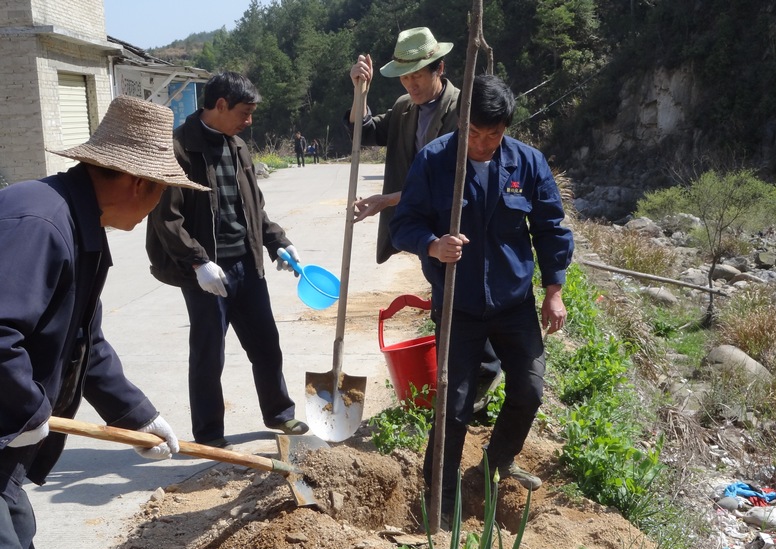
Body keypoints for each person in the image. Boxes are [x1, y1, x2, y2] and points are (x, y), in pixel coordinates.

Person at [0, 94, 193, 549]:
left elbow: (84, 341)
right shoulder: (41, 225)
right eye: (162, 194)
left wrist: (136, 416)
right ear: (137, 182)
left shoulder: (76, 224)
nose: (159, 208)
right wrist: (28, 408)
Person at [390, 74, 575, 520]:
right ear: (462, 123)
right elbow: (404, 224)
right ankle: (441, 489)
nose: (484, 143)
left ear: (506, 128)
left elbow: (550, 228)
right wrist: (432, 244)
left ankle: (498, 461)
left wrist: (554, 291)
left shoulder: (527, 163)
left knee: (529, 390)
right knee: (454, 405)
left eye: (494, 134)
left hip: (513, 304)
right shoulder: (434, 162)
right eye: (474, 133)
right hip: (459, 305)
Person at [146, 71, 309, 449]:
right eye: (245, 112)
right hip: (205, 274)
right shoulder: (178, 150)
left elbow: (254, 209)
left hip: (245, 267)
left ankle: (280, 414)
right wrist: (198, 263)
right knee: (208, 355)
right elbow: (166, 218)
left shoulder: (238, 147)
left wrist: (277, 242)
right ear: (220, 106)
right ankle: (209, 435)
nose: (249, 120)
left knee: (267, 344)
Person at [347, 26, 502, 405]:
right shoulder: (404, 109)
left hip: (462, 222)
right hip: (425, 229)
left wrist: (386, 201)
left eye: (418, 74)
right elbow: (363, 131)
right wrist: (360, 92)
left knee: (468, 297)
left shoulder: (463, 110)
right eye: (405, 75)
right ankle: (460, 382)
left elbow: (451, 179)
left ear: (439, 69)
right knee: (443, 299)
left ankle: (483, 382)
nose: (411, 83)